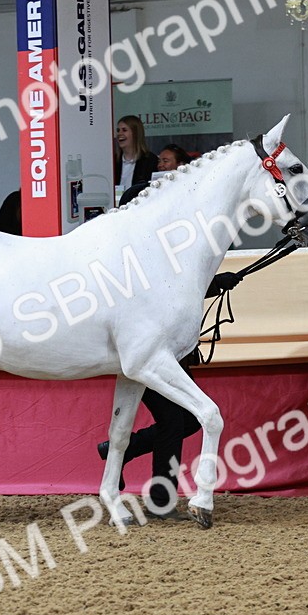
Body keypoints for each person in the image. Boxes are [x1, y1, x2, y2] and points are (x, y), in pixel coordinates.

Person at [95, 183, 241, 521]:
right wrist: (214, 284)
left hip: (164, 350)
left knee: (183, 420)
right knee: (176, 420)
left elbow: (175, 291)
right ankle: (160, 498)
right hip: (147, 352)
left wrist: (215, 283)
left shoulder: (159, 250)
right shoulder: (132, 254)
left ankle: (130, 456)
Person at [113, 115, 158, 190]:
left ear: (135, 133)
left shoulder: (150, 161)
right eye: (118, 130)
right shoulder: (113, 162)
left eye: (124, 130)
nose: (119, 134)